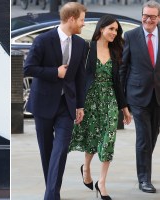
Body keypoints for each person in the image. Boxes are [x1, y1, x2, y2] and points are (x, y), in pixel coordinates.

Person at [23, 2, 87, 200]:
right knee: (47, 153)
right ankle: (53, 192)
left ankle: (50, 195)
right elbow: (28, 68)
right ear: (71, 19)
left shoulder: (81, 44)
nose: (83, 24)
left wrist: (80, 105)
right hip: (43, 104)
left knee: (60, 150)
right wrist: (55, 72)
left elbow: (80, 77)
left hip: (66, 106)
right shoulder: (43, 40)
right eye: (82, 20)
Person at [69, 15, 132, 200]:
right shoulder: (87, 49)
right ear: (101, 28)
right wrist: (76, 103)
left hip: (110, 100)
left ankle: (102, 182)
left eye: (116, 30)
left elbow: (117, 82)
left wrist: (124, 108)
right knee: (92, 137)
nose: (114, 33)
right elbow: (77, 77)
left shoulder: (115, 51)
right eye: (111, 29)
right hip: (89, 99)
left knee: (108, 139)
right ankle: (86, 168)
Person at [120, 0, 160, 193]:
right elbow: (123, 67)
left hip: (158, 96)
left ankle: (143, 165)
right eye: (145, 15)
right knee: (144, 137)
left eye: (152, 16)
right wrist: (122, 100)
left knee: (153, 136)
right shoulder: (131, 36)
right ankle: (144, 179)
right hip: (137, 95)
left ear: (159, 18)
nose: (148, 19)